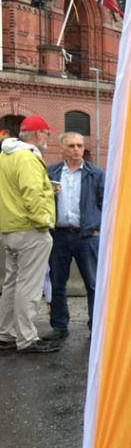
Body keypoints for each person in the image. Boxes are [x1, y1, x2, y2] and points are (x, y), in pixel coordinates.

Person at [0, 116, 62, 353]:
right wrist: (44, 222)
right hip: (30, 229)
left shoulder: (5, 155)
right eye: (47, 133)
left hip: (10, 227)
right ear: (38, 134)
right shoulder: (28, 157)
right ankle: (27, 338)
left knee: (12, 284)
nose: (48, 138)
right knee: (30, 285)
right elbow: (31, 192)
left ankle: (6, 334)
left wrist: (47, 187)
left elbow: (15, 189)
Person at [46, 131, 104, 336]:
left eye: (79, 145)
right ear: (62, 148)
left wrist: (98, 228)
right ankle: (59, 325)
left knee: (93, 283)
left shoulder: (95, 173)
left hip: (86, 236)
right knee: (57, 282)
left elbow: (105, 203)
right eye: (71, 146)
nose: (76, 149)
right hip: (59, 235)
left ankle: (95, 328)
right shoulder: (51, 173)